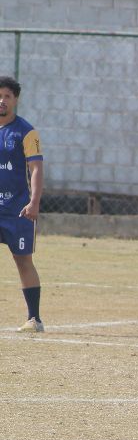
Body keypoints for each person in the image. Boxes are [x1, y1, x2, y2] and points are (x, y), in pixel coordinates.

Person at [0, 76, 45, 333]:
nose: (1, 100)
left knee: (23, 261)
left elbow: (36, 168)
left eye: (7, 96)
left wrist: (34, 202)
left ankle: (34, 319)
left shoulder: (27, 132)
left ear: (15, 100)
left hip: (17, 210)